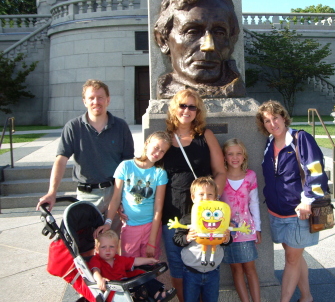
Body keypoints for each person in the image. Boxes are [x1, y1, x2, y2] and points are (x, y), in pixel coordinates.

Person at [36, 79, 134, 234]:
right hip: (86, 195)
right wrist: (52, 192)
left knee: (113, 244)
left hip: (114, 193)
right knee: (85, 245)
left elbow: (128, 164)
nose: (96, 102)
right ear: (84, 101)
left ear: (108, 100)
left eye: (100, 97)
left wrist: (124, 196)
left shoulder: (121, 126)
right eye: (91, 98)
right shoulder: (73, 127)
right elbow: (61, 160)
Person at [255, 100, 329, 302]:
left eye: (275, 118)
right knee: (294, 257)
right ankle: (306, 297)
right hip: (276, 211)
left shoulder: (300, 138)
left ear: (283, 118)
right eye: (267, 120)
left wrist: (307, 200)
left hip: (299, 212)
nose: (272, 123)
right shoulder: (269, 143)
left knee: (291, 259)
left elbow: (315, 170)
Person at [161, 89, 226, 302]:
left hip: (204, 213)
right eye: (182, 105)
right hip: (173, 214)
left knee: (204, 262)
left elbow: (220, 171)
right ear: (174, 108)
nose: (186, 110)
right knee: (177, 264)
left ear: (197, 111)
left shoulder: (205, 135)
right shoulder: (165, 138)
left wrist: (212, 205)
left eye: (192, 107)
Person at [153, 0, 246, 99]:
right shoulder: (166, 88)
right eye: (192, 32)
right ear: (163, 41)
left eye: (219, 33)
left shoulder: (236, 88)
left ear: (231, 41)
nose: (208, 46)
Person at [94, 131, 171, 259]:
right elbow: (116, 198)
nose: (158, 153)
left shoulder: (160, 173)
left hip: (150, 227)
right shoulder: (126, 166)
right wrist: (108, 222)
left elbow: (158, 208)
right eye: (156, 147)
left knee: (149, 265)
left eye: (162, 151)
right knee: (129, 265)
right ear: (147, 144)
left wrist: (152, 241)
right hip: (130, 227)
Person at [171, 177, 232, 302]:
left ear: (215, 197)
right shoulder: (187, 219)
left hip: (213, 270)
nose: (205, 198)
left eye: (210, 194)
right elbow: (176, 239)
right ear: (193, 198)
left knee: (211, 299)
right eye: (201, 195)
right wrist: (187, 237)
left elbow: (227, 241)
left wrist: (227, 238)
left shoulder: (220, 218)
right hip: (191, 271)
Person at [221, 138, 261, 302]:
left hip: (246, 229)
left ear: (244, 156)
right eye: (230, 154)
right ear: (224, 157)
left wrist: (257, 228)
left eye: (238, 154)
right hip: (227, 231)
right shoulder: (220, 177)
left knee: (250, 268)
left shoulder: (250, 176)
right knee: (236, 269)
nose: (235, 157)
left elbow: (254, 203)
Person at [90, 230, 175, 302]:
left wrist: (149, 260)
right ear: (97, 249)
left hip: (125, 284)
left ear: (116, 248)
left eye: (111, 247)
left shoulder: (118, 259)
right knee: (139, 282)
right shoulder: (96, 260)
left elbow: (134, 261)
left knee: (143, 276)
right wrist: (99, 279)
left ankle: (155, 295)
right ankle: (148, 295)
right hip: (114, 288)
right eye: (103, 247)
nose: (107, 250)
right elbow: (95, 270)